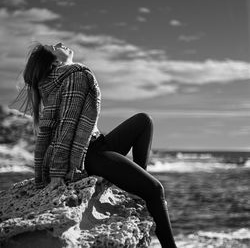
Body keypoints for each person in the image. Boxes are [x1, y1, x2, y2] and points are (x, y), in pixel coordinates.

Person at [12, 42, 177, 248]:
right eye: (55, 47)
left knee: (143, 120)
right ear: (54, 61)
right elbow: (66, 130)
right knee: (156, 190)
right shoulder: (73, 76)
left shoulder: (55, 81)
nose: (61, 44)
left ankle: (137, 187)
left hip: (98, 143)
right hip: (88, 154)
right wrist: (55, 175)